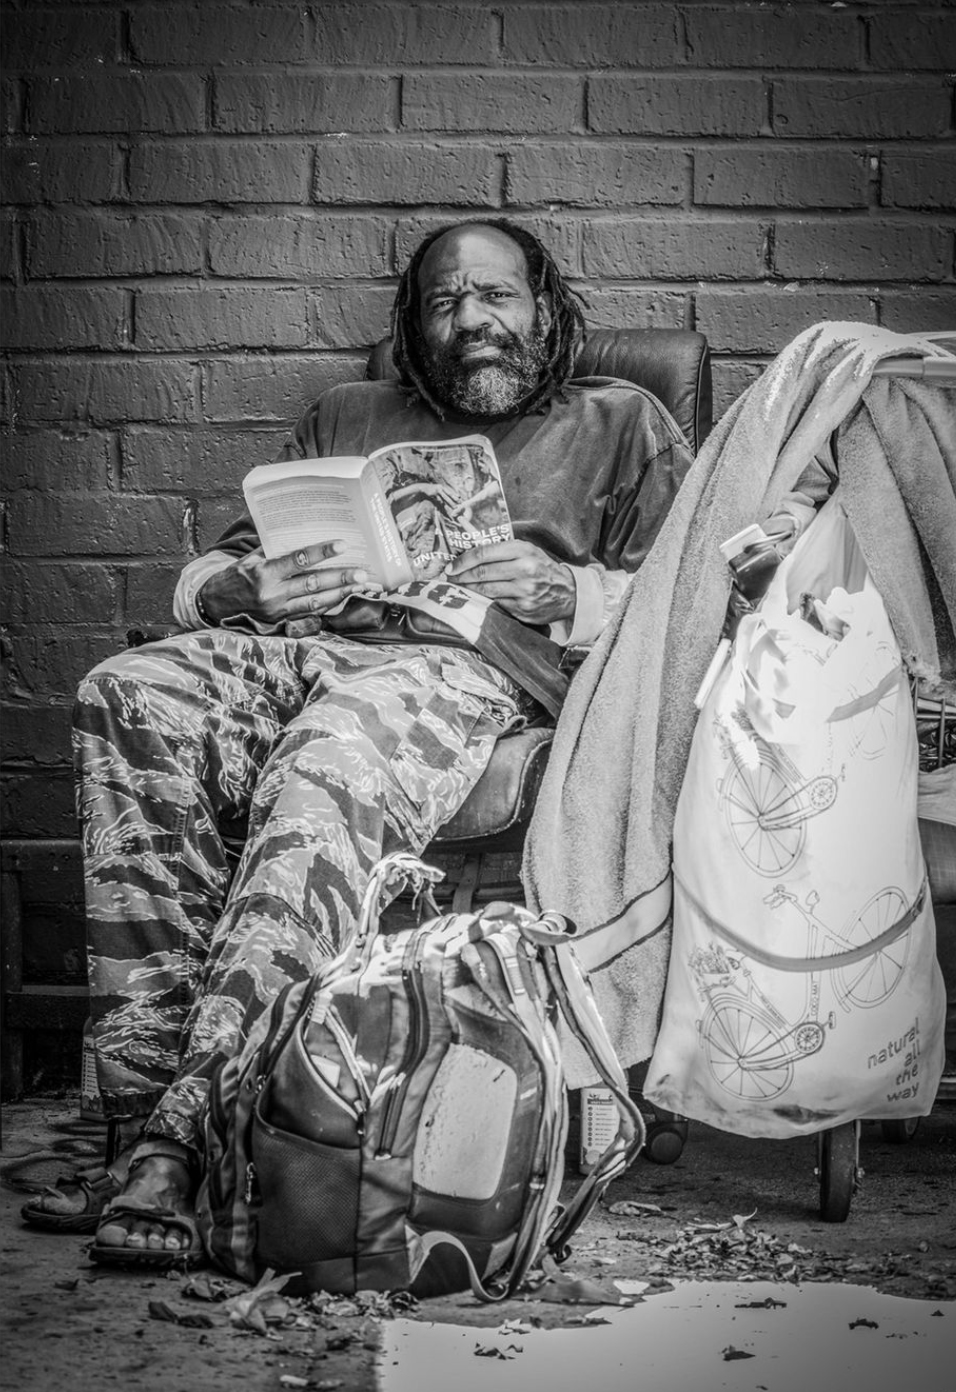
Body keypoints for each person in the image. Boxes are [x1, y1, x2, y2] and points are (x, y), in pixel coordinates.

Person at [22, 219, 694, 1265]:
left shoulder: (623, 422)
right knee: (128, 693)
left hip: (466, 669)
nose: (471, 319)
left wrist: (570, 590)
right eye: (443, 301)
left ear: (545, 307)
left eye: (496, 296)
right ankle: (140, 1114)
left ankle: (188, 1140)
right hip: (304, 644)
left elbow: (693, 604)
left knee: (327, 753)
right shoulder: (346, 415)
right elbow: (215, 571)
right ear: (413, 326)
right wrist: (246, 587)